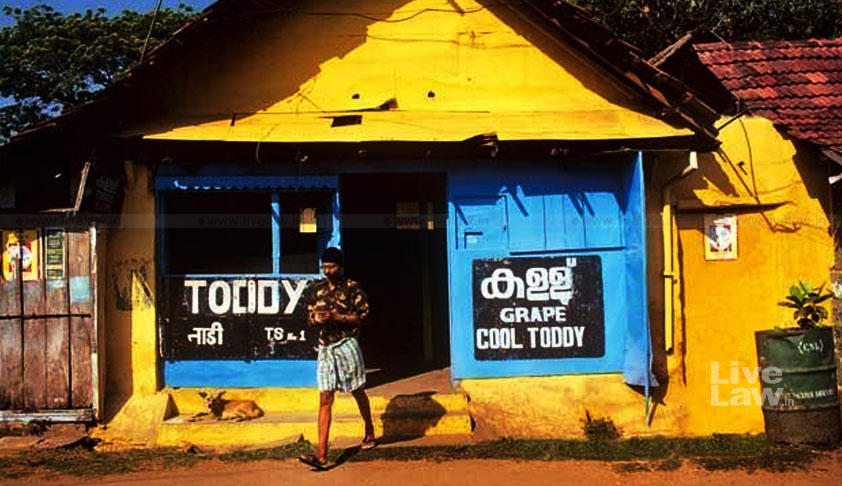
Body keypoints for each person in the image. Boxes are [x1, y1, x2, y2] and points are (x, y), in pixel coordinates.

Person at [298, 247, 377, 470]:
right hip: (325, 347)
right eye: (324, 267)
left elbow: (363, 317)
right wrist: (317, 319)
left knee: (357, 390)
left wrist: (337, 317)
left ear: (340, 267)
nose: (327, 271)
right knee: (325, 398)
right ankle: (321, 454)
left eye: (331, 267)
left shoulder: (352, 288)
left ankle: (369, 431)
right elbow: (309, 318)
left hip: (347, 344)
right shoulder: (317, 289)